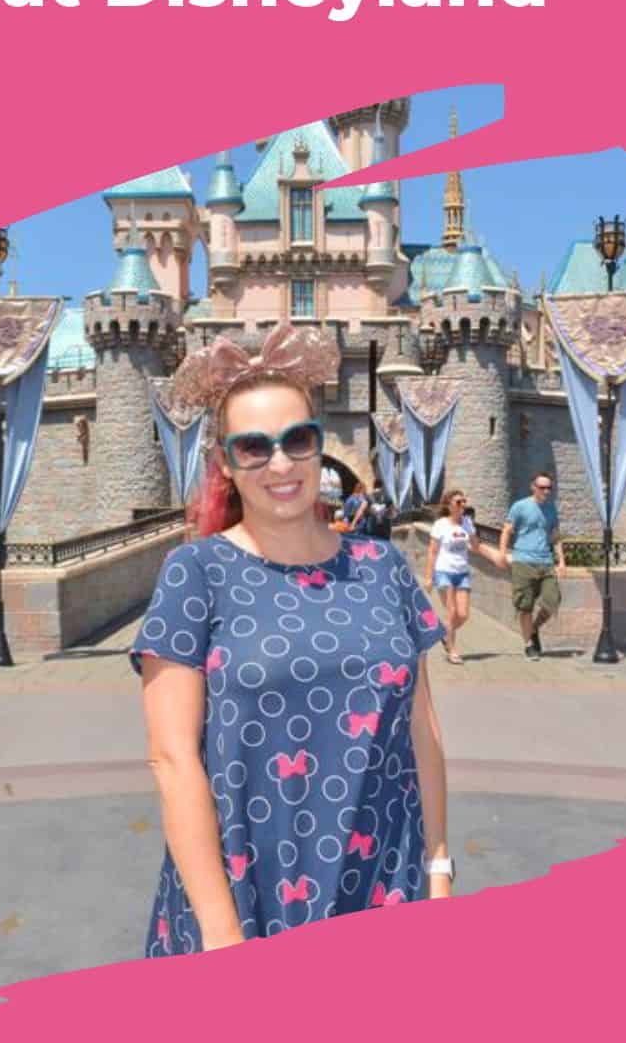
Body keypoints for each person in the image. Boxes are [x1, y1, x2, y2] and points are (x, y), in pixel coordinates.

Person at [130, 323, 454, 958]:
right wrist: (223, 935)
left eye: (297, 440)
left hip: (383, 876)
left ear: (318, 446)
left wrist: (438, 866)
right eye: (254, 447)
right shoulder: (196, 574)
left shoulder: (382, 567)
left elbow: (421, 726)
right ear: (225, 461)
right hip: (247, 893)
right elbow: (173, 761)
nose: (280, 463)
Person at [425, 488, 506, 665]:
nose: (463, 505)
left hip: (462, 573)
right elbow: (432, 551)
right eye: (458, 502)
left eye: (464, 501)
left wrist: (494, 556)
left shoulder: (467, 523)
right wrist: (428, 577)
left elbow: (476, 546)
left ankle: (445, 635)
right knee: (452, 612)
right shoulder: (440, 524)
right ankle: (452, 650)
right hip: (444, 571)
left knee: (463, 615)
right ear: (449, 505)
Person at [499, 472, 566, 660]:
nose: (546, 491)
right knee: (525, 606)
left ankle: (534, 629)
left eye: (549, 488)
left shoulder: (551, 508)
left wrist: (561, 561)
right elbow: (507, 530)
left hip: (546, 562)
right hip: (523, 561)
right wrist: (503, 554)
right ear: (533, 487)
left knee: (553, 600)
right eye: (542, 487)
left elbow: (554, 535)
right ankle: (529, 644)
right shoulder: (520, 506)